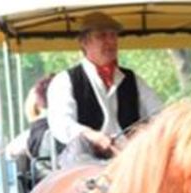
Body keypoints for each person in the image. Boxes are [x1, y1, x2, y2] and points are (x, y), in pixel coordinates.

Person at [47, 11, 162, 165]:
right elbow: (62, 124)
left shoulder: (133, 80)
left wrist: (146, 133)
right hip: (85, 161)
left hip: (132, 160)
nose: (110, 41)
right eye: (101, 36)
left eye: (113, 35)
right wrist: (93, 136)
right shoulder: (65, 81)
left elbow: (159, 114)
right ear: (84, 42)